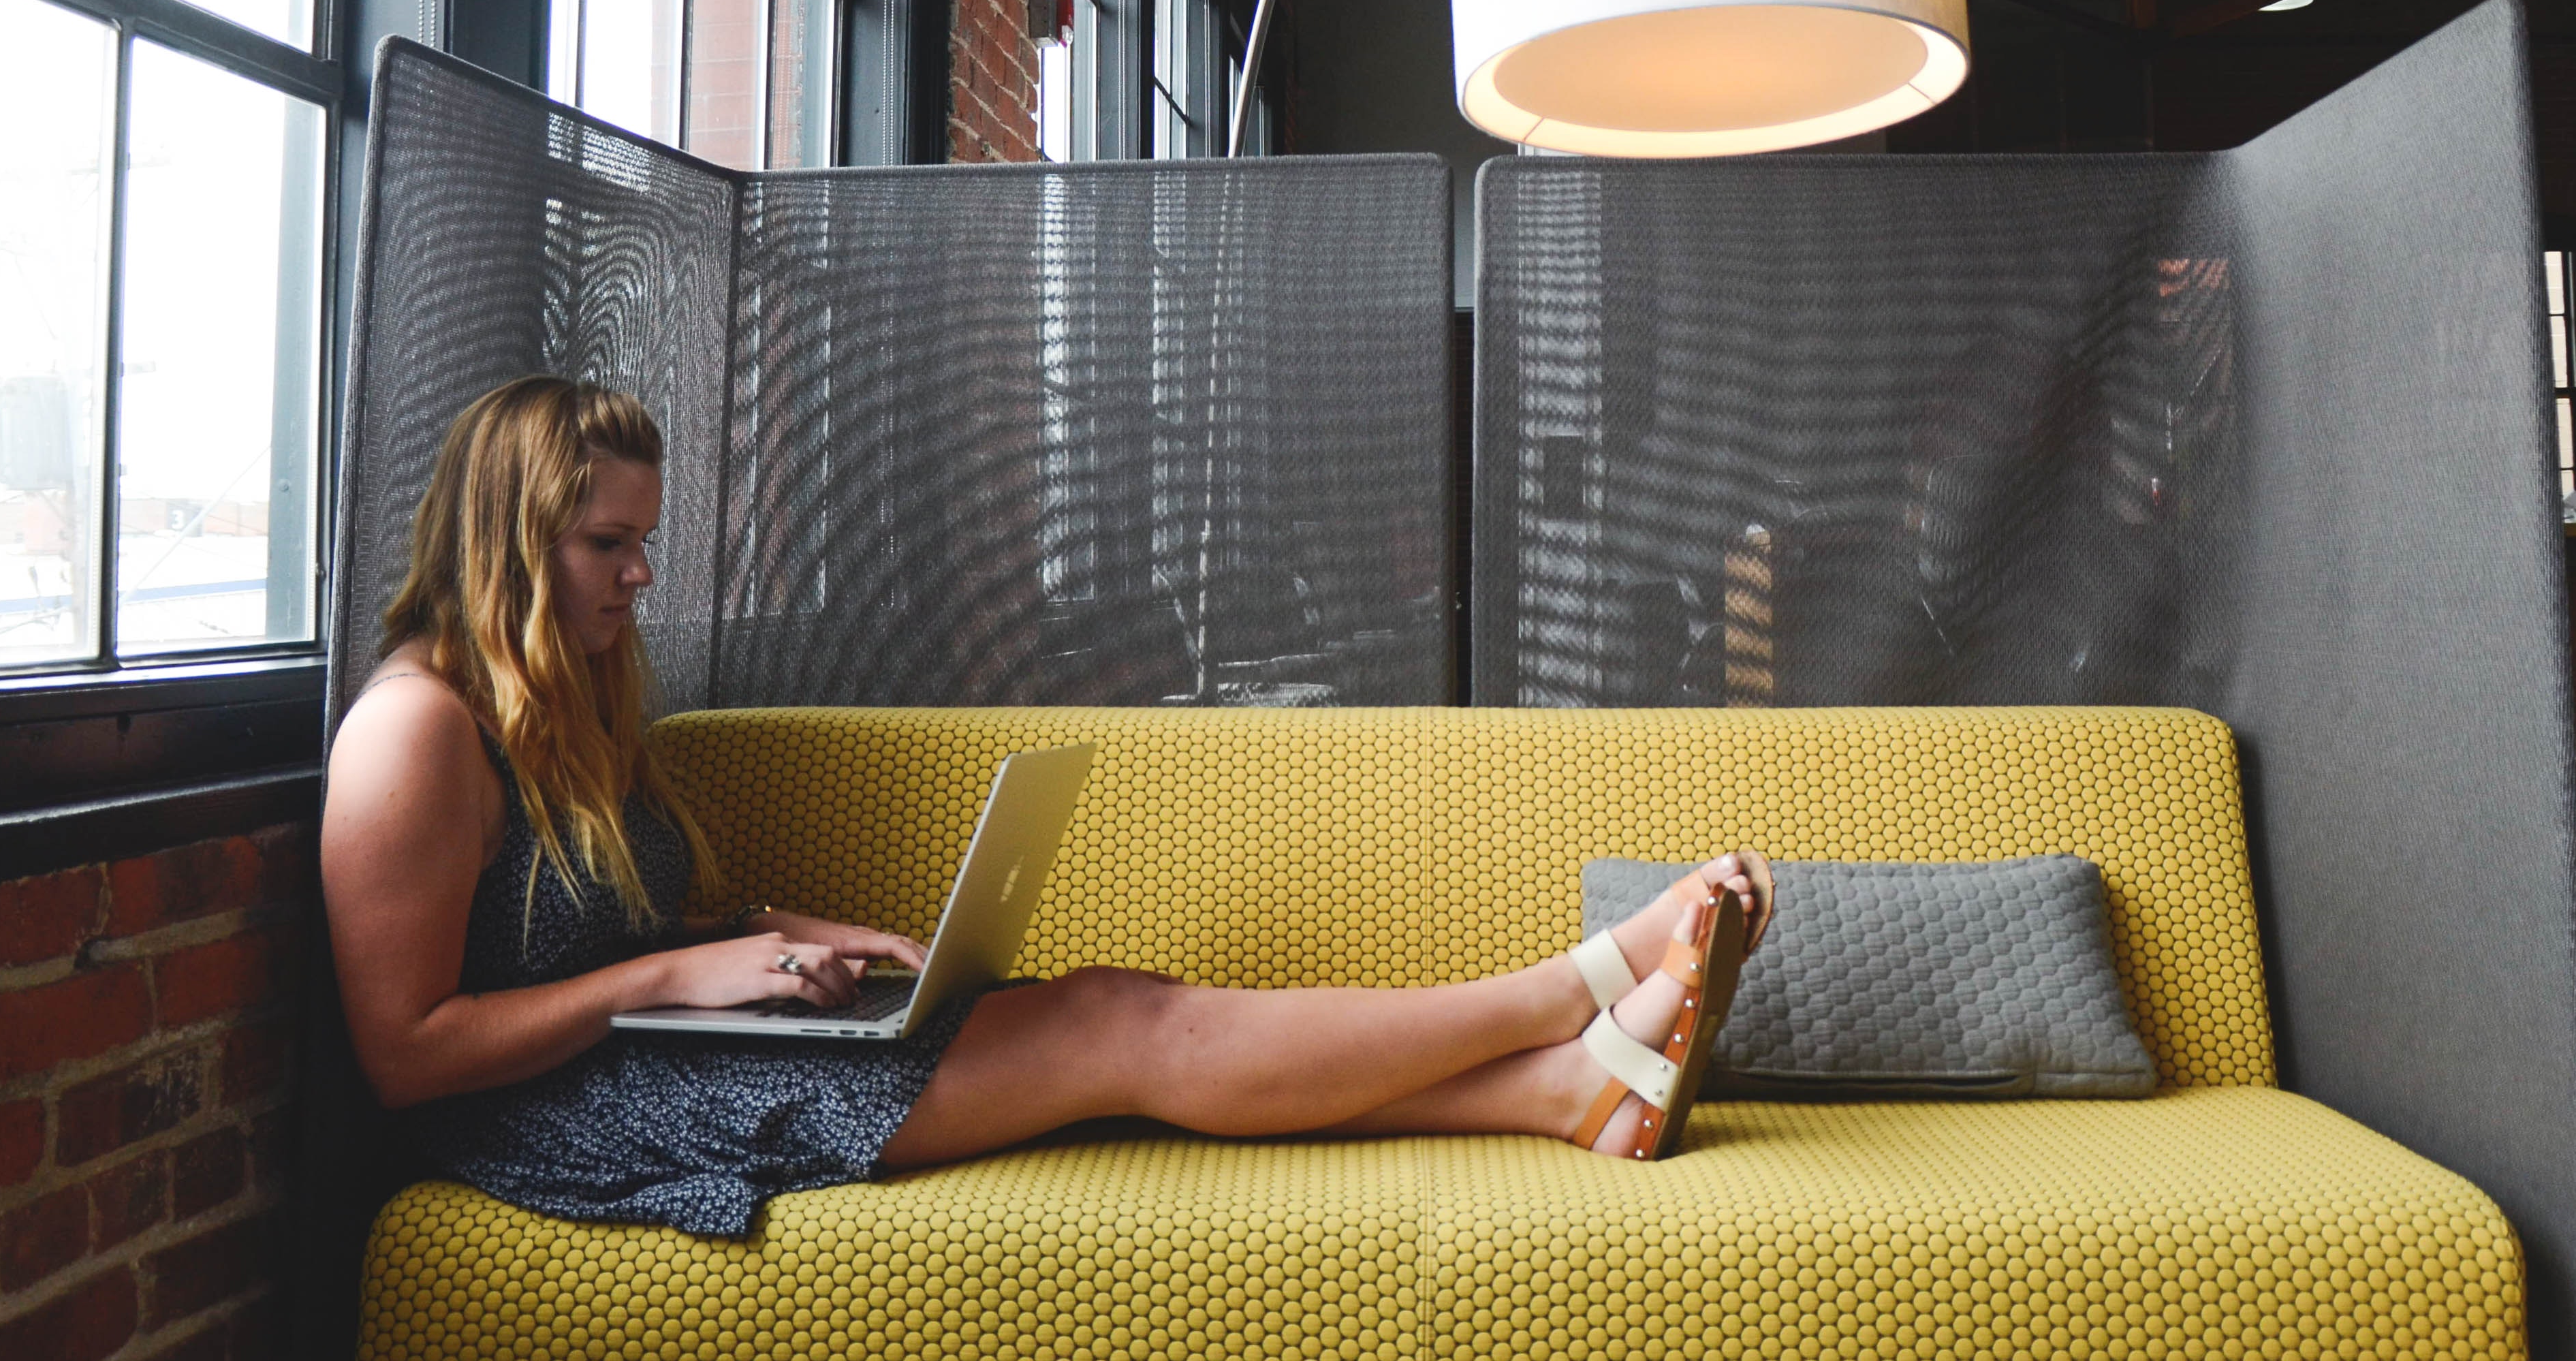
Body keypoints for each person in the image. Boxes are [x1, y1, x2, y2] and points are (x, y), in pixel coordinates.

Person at [321, 375, 1770, 1236]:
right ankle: (1562, 990)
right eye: (607, 543)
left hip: (662, 1053)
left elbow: (602, 930)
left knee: (1112, 1008)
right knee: (1117, 1026)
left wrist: (766, 939)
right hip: (571, 1123)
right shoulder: (415, 735)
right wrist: (672, 974)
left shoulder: (567, 690)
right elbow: (405, 1055)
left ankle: (1563, 1092)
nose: (640, 577)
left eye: (642, 540)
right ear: (509, 538)